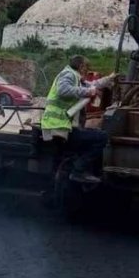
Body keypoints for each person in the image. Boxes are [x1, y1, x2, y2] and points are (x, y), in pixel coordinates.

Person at [41, 55, 115, 184]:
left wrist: (108, 79)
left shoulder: (76, 77)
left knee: (92, 137)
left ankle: (74, 169)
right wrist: (89, 92)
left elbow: (92, 85)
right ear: (81, 67)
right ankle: (79, 171)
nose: (88, 70)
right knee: (101, 137)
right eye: (87, 67)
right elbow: (63, 90)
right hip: (58, 126)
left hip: (61, 125)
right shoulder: (69, 75)